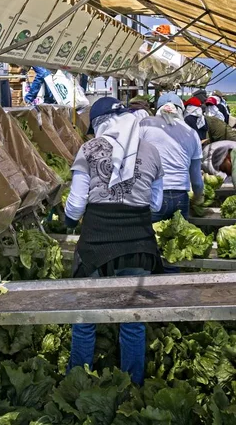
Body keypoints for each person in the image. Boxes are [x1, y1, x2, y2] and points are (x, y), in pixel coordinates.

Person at [65, 97, 164, 386]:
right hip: (138, 247)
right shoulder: (151, 151)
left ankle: (77, 383)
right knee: (132, 321)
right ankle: (132, 388)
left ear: (99, 124)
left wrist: (68, 222)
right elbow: (156, 205)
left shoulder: (89, 149)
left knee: (85, 318)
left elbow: (75, 204)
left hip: (96, 245)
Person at [140, 92, 204, 222]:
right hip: (181, 196)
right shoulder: (191, 133)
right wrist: (198, 197)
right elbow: (196, 178)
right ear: (181, 109)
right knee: (179, 239)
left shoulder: (145, 125)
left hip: (153, 194)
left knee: (151, 239)